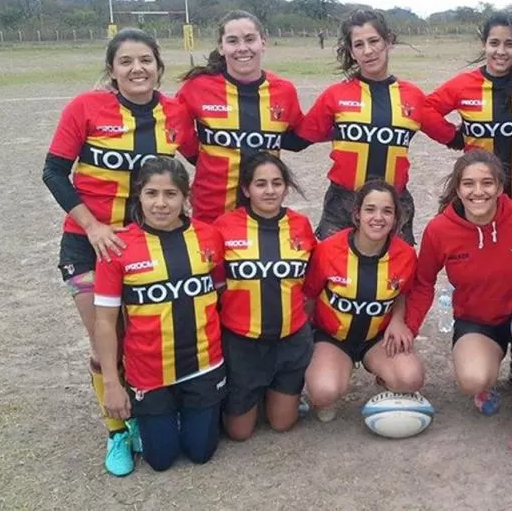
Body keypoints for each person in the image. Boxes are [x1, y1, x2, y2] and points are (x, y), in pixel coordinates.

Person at [41, 28, 196, 476]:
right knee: (102, 340)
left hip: (146, 245)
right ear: (111, 70)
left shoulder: (175, 112)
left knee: (140, 338)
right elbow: (53, 171)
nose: (136, 68)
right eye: (125, 61)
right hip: (88, 244)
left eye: (145, 60)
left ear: (158, 67)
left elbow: (198, 159)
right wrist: (92, 226)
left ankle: (146, 414)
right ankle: (116, 431)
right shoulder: (85, 107)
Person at [405, 151, 512, 462]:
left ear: (500, 187)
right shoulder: (440, 230)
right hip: (479, 318)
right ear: (457, 189)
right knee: (473, 379)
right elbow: (423, 283)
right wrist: (408, 329)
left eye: (487, 183)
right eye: (468, 184)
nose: (478, 191)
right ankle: (491, 379)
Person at [94, 156, 227, 473]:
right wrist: (111, 382)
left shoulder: (209, 237)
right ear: (138, 195)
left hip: (203, 365)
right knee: (161, 461)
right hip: (149, 371)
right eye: (151, 193)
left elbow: (221, 295)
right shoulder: (117, 247)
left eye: (171, 194)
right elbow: (105, 322)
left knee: (201, 452)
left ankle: (192, 409)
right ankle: (144, 423)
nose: (161, 204)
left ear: (185, 197)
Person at [297, 9, 462, 244]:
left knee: (396, 268)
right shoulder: (335, 95)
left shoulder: (412, 96)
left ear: (388, 42)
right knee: (333, 267)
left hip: (393, 205)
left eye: (374, 41)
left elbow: (452, 138)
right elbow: (298, 139)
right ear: (352, 52)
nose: (368, 51)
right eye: (359, 44)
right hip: (342, 205)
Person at [213, 152, 316, 440]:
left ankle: (277, 391)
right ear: (246, 189)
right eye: (260, 184)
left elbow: (310, 282)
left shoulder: (300, 225)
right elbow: (215, 282)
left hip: (290, 340)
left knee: (282, 424)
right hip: (243, 344)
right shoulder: (224, 226)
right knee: (239, 433)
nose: (270, 190)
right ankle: (251, 393)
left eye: (277, 183)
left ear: (286, 187)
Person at [303, 179, 422, 420]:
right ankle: (331, 374)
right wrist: (304, 342)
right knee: (323, 392)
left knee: (411, 379)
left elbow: (402, 293)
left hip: (376, 338)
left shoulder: (406, 255)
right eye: (370, 209)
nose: (378, 217)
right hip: (333, 338)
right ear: (357, 214)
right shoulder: (328, 250)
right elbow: (309, 296)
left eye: (387, 211)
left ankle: (383, 375)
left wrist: (398, 321)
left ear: (396, 218)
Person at [177, 10, 310, 223]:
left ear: (263, 42)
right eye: (232, 41)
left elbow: (297, 135)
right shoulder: (197, 87)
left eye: (250, 39)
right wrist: (206, 160)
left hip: (264, 213)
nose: (242, 48)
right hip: (211, 212)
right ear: (221, 47)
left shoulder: (284, 91)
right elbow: (181, 134)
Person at [425, 12, 512, 207]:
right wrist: (452, 137)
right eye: (494, 43)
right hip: (479, 194)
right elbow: (425, 110)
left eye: (509, 44)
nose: (501, 51)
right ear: (483, 44)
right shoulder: (463, 84)